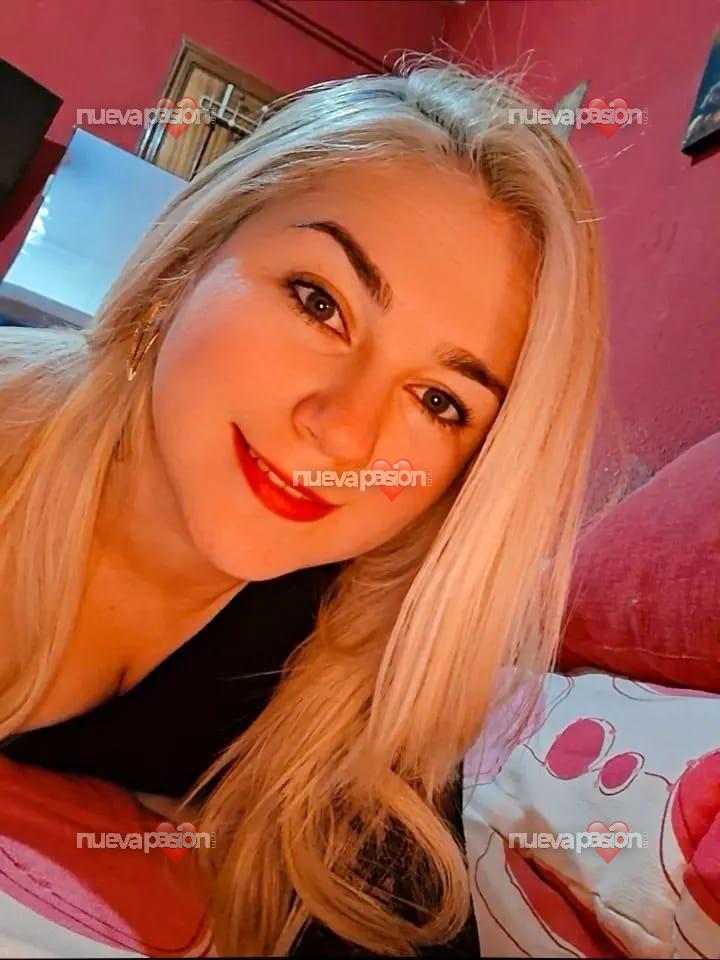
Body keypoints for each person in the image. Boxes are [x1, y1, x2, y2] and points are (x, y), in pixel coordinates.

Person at [0, 53, 607, 957]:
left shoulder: (357, 671)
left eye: (440, 401)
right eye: (320, 302)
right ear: (184, 267)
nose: (344, 432)